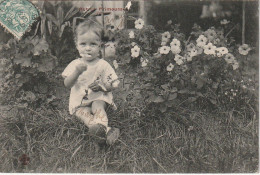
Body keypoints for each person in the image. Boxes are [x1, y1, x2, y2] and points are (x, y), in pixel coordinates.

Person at [62, 19, 120, 146]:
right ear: (76, 45)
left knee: (97, 106)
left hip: (98, 98)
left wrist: (104, 87)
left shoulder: (103, 65)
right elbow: (67, 84)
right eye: (83, 44)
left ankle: (101, 127)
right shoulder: (75, 64)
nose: (88, 48)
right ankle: (103, 130)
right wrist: (76, 72)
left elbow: (115, 83)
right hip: (80, 103)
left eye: (93, 44)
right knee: (83, 114)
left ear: (100, 45)